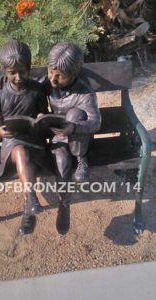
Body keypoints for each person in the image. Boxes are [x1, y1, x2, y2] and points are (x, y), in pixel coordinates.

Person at [0, 40, 48, 235]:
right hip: (11, 142)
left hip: (34, 140)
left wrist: (41, 119)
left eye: (23, 71)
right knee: (20, 151)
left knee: (26, 154)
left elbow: (44, 112)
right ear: (4, 70)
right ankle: (30, 198)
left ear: (29, 68)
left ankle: (29, 208)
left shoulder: (36, 89)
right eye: (12, 72)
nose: (18, 77)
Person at [46, 42, 101, 233]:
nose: (53, 79)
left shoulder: (85, 93)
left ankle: (81, 160)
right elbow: (24, 88)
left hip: (79, 141)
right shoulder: (46, 84)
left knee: (74, 115)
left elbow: (95, 122)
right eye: (50, 71)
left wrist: (74, 127)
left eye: (60, 76)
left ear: (74, 74)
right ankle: (64, 203)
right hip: (57, 139)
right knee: (61, 160)